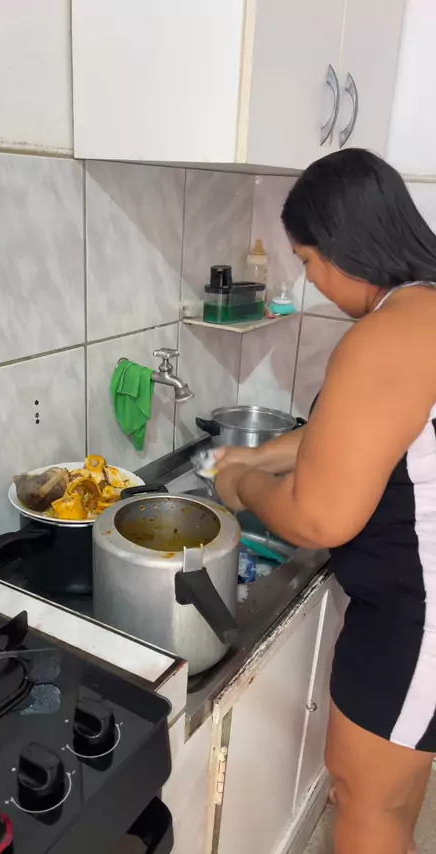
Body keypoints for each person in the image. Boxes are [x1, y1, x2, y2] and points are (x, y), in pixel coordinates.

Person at [214, 148, 436, 854]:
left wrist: (241, 486)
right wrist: (259, 455)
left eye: (308, 261)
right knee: (393, 798)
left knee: (367, 803)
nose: (310, 279)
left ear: (345, 247)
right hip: (417, 611)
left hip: (417, 622)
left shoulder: (386, 336)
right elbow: (363, 435)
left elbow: (317, 517)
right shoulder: (424, 310)